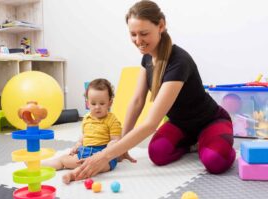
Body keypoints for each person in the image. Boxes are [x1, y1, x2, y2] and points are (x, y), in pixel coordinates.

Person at [75, 0, 236, 180]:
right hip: (181, 124)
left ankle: (213, 142)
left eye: (143, 33)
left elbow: (151, 123)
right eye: (133, 34)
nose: (138, 41)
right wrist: (121, 144)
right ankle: (194, 144)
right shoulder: (146, 59)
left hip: (210, 121)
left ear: (161, 25)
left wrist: (106, 154)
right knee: (157, 154)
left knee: (214, 160)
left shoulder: (179, 61)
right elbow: (137, 102)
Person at [42, 78, 122, 184]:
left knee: (93, 167)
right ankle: (41, 166)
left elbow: (116, 141)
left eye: (102, 103)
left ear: (110, 103)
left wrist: (110, 149)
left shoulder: (112, 120)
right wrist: (77, 145)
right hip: (84, 153)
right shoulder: (86, 118)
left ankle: (73, 175)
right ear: (87, 103)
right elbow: (84, 136)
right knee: (63, 159)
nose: (97, 107)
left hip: (103, 156)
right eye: (93, 104)